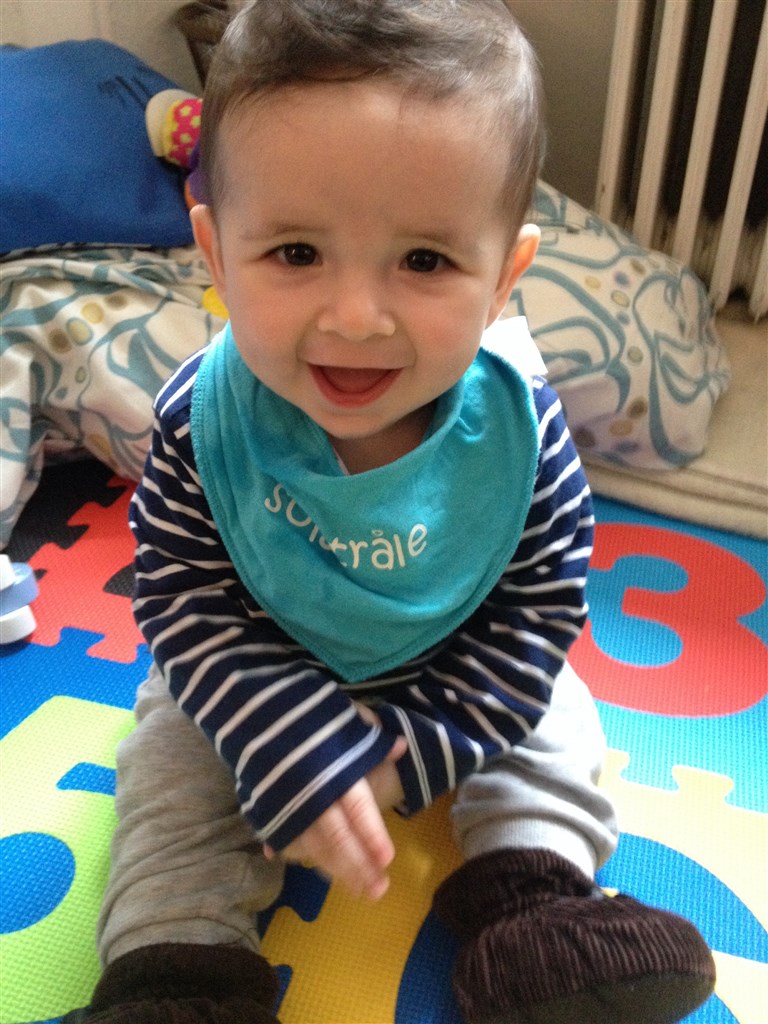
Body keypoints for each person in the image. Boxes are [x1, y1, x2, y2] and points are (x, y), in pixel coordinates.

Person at [66, 2, 715, 1022]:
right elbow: (188, 607)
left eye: (423, 262)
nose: (357, 317)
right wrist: (293, 741)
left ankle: (534, 900)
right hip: (259, 667)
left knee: (558, 717)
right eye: (295, 253)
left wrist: (413, 748)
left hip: (460, 666)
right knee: (168, 759)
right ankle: (177, 963)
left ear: (502, 280)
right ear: (217, 254)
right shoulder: (203, 422)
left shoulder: (519, 426)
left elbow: (535, 618)